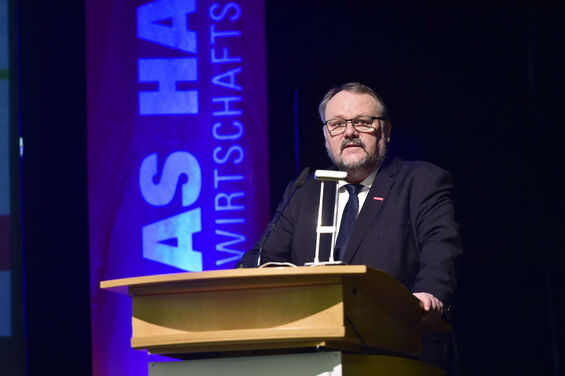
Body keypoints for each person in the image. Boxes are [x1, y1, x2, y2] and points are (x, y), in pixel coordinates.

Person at [238, 82, 462, 370]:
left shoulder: (421, 181)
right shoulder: (306, 189)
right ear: (326, 136)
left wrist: (431, 293)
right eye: (337, 124)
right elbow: (261, 260)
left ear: (386, 130)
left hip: (402, 351)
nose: (349, 132)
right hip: (316, 358)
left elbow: (440, 251)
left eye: (362, 122)